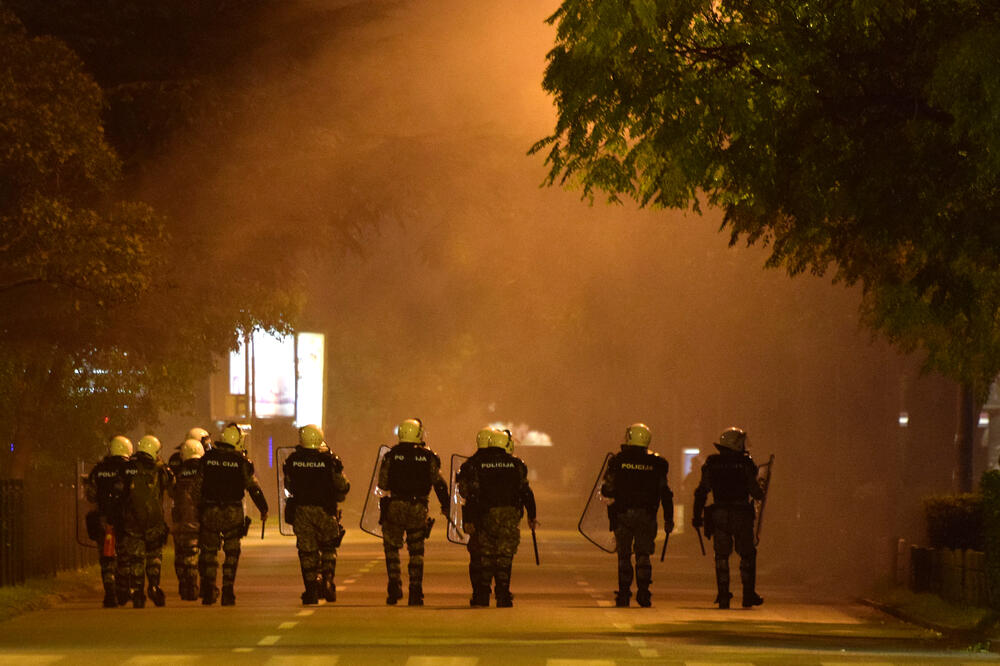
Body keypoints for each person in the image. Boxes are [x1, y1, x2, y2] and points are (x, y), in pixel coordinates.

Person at [457, 428, 537, 607]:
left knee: (485, 554)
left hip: (485, 515)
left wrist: (469, 518)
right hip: (509, 515)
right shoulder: (517, 465)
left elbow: (470, 494)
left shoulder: (476, 464)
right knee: (505, 555)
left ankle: (483, 594)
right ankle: (503, 593)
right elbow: (526, 492)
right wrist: (532, 515)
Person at [377, 418, 450, 606]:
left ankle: (394, 586)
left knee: (392, 548)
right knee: (416, 551)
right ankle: (415, 591)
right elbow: (439, 484)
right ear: (418, 434)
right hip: (418, 508)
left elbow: (382, 484)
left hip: (395, 506)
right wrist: (446, 505)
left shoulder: (391, 456)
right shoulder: (428, 456)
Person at [600, 423, 673, 608]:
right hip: (647, 516)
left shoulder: (618, 461)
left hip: (622, 514)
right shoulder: (657, 463)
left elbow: (608, 489)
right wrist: (669, 518)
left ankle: (624, 594)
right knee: (643, 554)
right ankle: (644, 593)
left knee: (624, 555)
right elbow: (665, 492)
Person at [692, 426, 765, 609]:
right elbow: (755, 491)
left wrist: (696, 515)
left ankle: (723, 595)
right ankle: (748, 595)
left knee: (721, 555)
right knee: (747, 555)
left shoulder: (712, 463)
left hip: (720, 514)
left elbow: (702, 491)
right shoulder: (746, 464)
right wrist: (761, 490)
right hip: (741, 513)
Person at [198, 422, 268, 606]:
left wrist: (199, 509)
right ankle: (228, 591)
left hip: (210, 511)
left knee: (209, 553)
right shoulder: (241, 462)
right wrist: (263, 508)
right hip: (232, 512)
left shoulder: (207, 459)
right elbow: (254, 488)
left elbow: (197, 487)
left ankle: (209, 590)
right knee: (231, 553)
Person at [283, 423, 350, 605]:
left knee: (307, 552)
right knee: (329, 547)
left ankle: (311, 590)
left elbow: (288, 486)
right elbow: (342, 486)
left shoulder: (292, 460)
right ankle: (328, 579)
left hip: (302, 511)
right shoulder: (330, 460)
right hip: (325, 510)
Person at [121, 434, 174, 608]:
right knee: (154, 556)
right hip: (154, 520)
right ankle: (153, 585)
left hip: (132, 521)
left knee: (136, 558)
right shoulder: (160, 469)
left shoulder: (128, 467)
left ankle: (137, 592)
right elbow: (171, 483)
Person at [84, 435, 134, 607]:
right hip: (125, 519)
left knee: (107, 557)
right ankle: (123, 591)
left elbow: (90, 495)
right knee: (125, 557)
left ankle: (110, 594)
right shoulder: (130, 469)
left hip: (105, 520)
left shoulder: (99, 470)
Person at [455, 427, 494, 606]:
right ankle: (492, 588)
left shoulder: (469, 465)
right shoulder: (501, 463)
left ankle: (479, 592)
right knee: (495, 553)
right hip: (494, 515)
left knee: (476, 554)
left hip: (474, 515)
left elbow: (462, 491)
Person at [170, 437, 204, 601]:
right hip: (199, 520)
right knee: (195, 554)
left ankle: (184, 584)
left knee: (180, 555)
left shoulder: (177, 473)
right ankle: (193, 585)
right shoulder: (205, 471)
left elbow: (171, 493)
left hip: (180, 520)